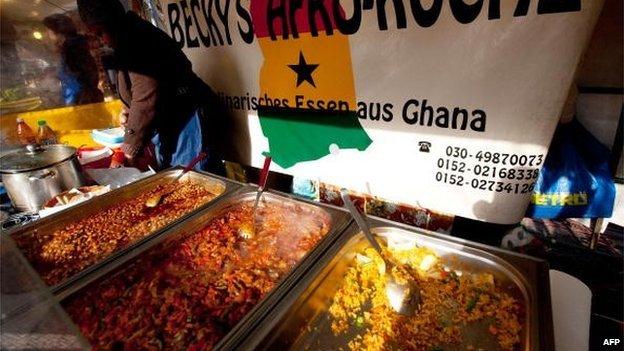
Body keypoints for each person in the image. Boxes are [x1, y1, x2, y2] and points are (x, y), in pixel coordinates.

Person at [76, 0, 225, 171]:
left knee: (195, 184)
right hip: (172, 124)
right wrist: (128, 111)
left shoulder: (136, 38)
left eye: (101, 33)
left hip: (188, 121)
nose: (102, 41)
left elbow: (146, 93)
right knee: (178, 181)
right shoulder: (126, 38)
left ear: (112, 22)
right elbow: (138, 91)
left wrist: (130, 149)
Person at [43, 14, 103, 105]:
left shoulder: (71, 47)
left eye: (48, 30)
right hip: (80, 98)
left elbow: (80, 75)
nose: (47, 34)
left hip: (80, 100)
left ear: (57, 31)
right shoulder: (72, 45)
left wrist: (79, 98)